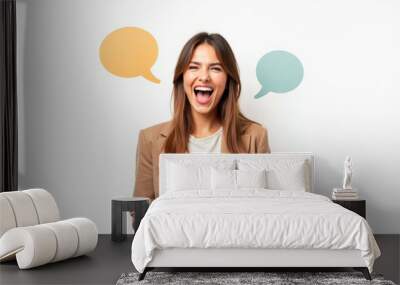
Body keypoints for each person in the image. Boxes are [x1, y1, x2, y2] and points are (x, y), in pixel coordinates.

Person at [131, 32, 271, 222]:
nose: (204, 77)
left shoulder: (256, 136)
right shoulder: (150, 139)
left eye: (215, 68)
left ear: (228, 79)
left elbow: (267, 212)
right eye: (194, 67)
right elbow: (140, 218)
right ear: (182, 77)